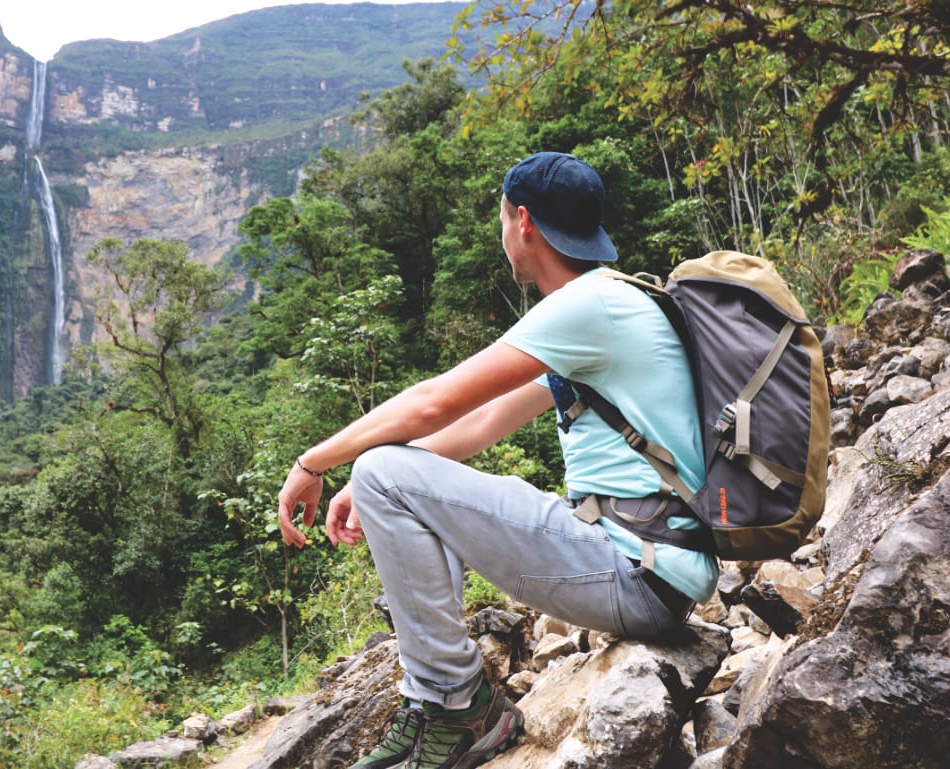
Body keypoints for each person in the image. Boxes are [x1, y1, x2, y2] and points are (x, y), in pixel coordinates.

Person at [276, 151, 720, 769]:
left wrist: (316, 463)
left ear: (524, 221)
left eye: (501, 219)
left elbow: (433, 403)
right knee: (382, 473)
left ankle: (459, 706)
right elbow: (481, 424)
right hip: (648, 571)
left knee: (381, 469)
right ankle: (436, 699)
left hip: (633, 571)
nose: (502, 232)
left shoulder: (588, 308)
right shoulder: (610, 305)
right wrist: (370, 486)